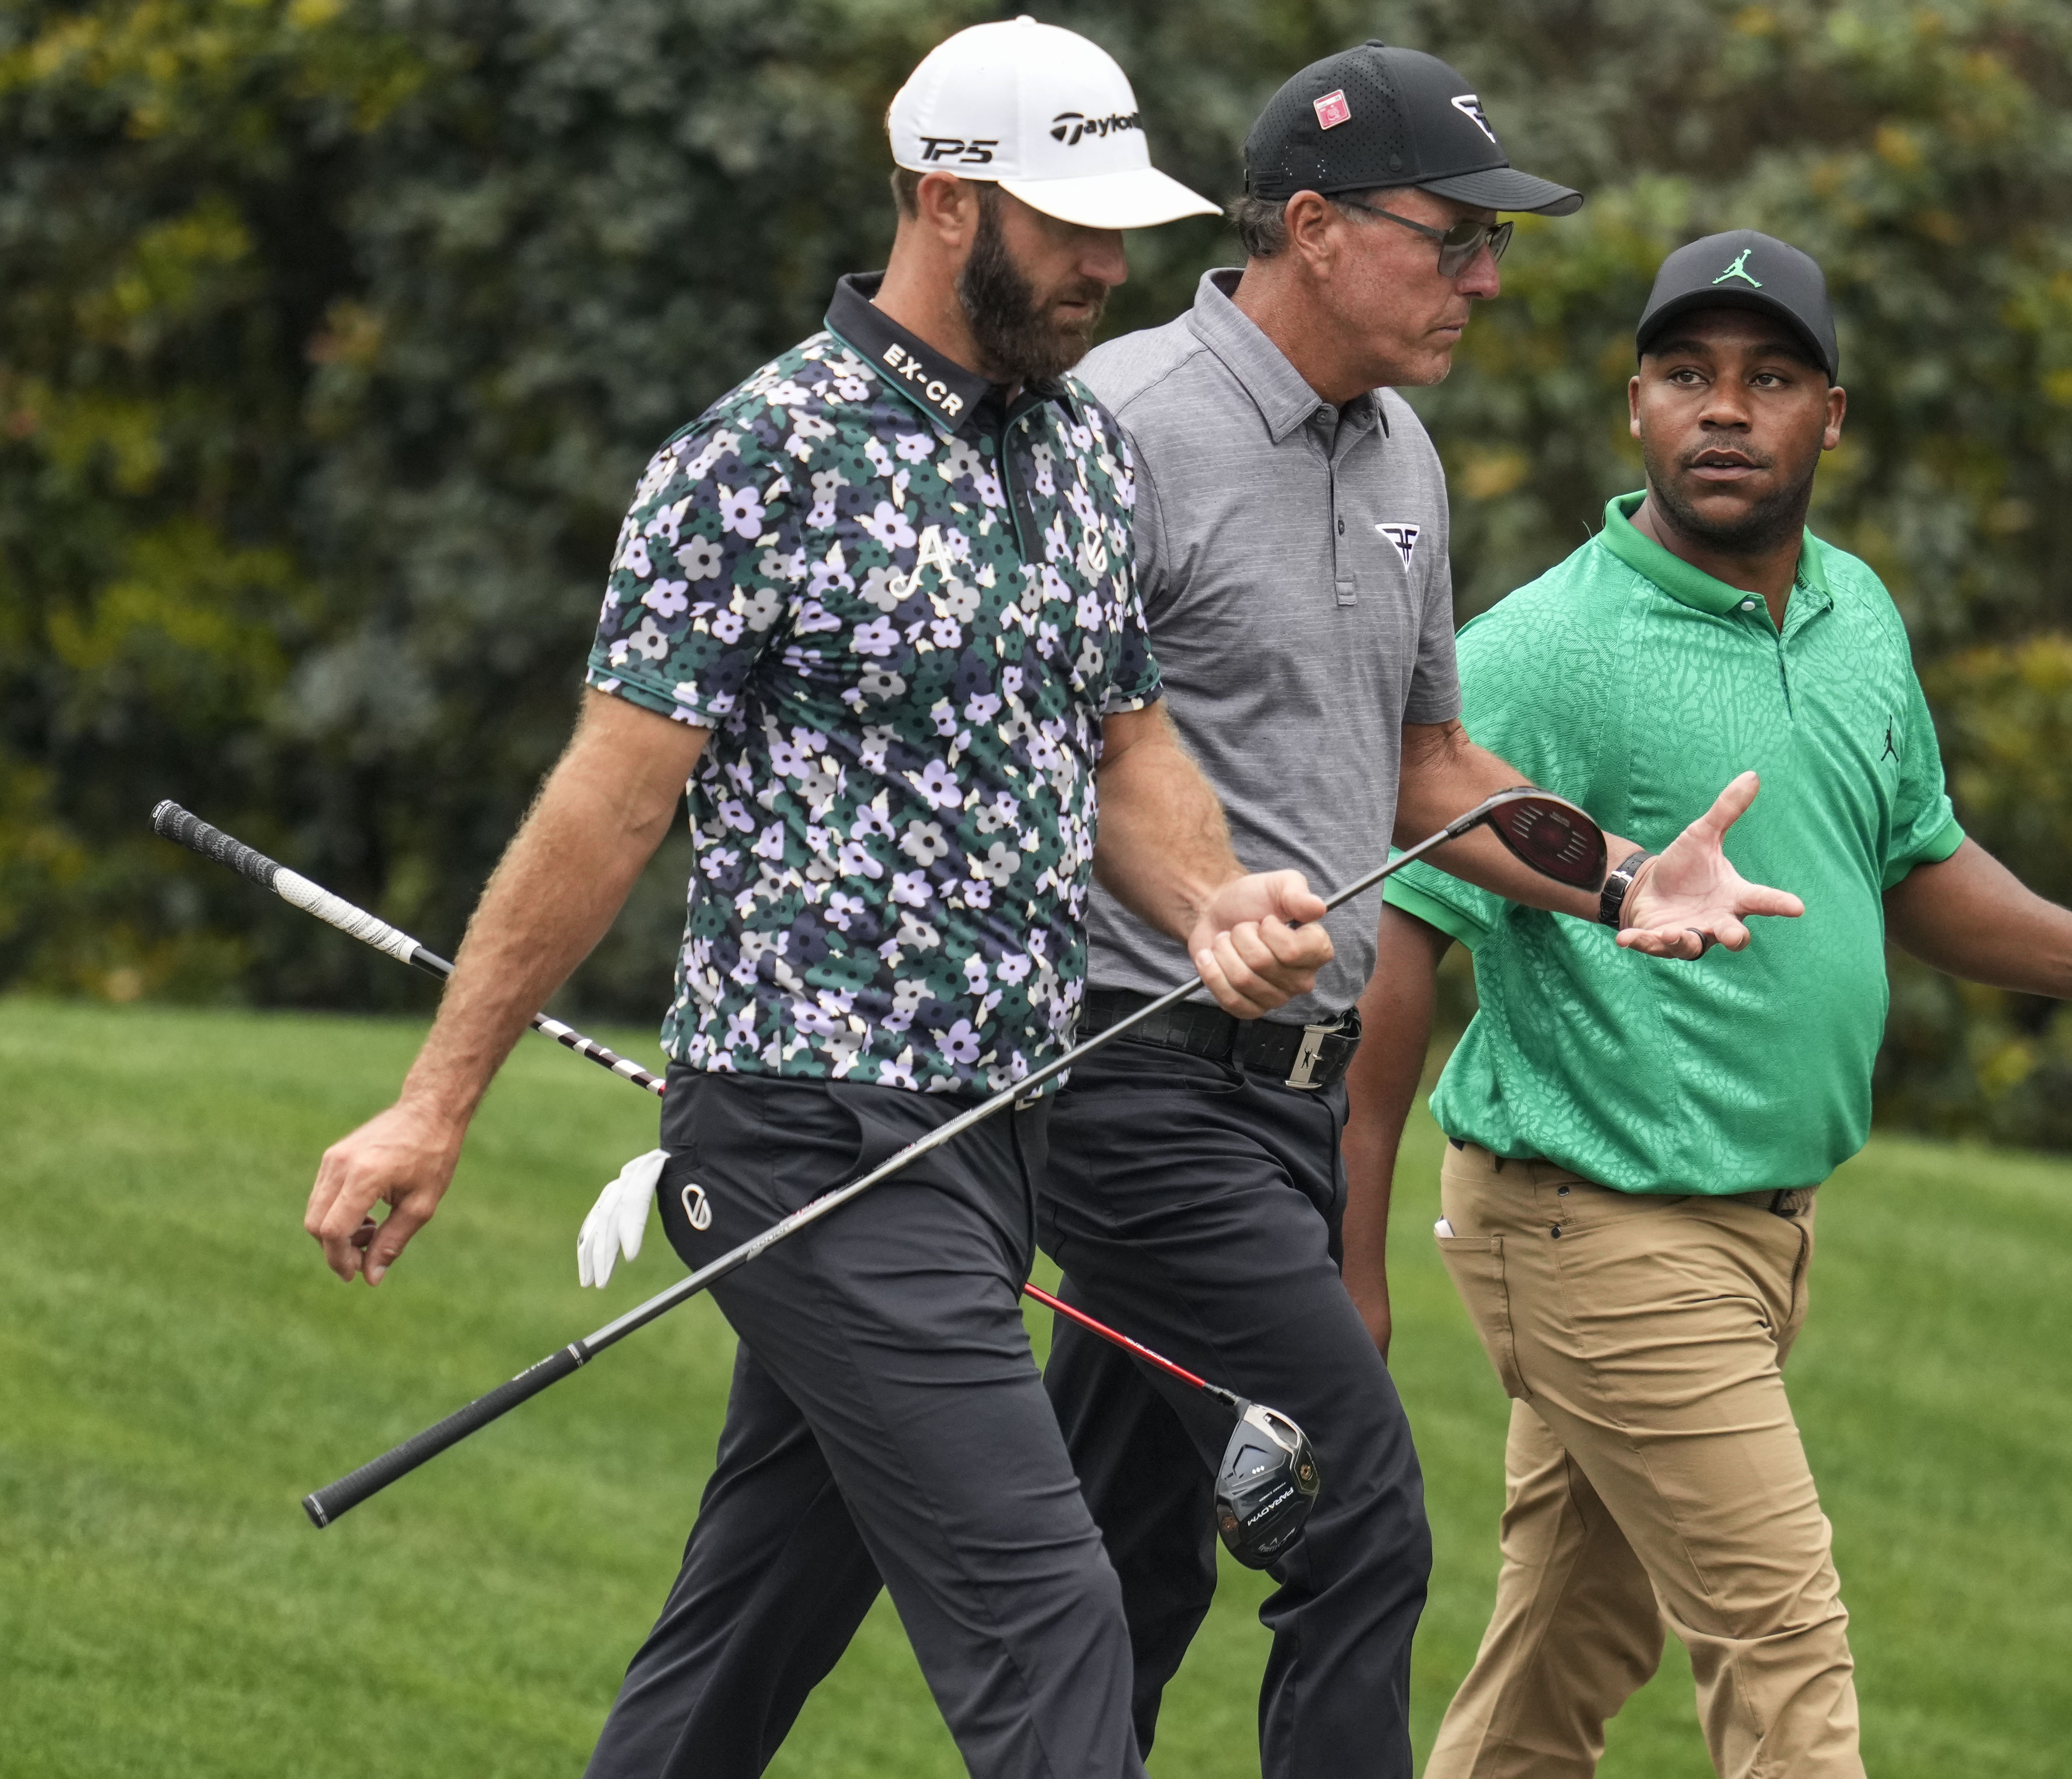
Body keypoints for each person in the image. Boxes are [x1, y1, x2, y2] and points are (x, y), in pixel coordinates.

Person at [303, 21, 1334, 1779]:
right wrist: (433, 1098)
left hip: (995, 1132)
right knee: (1050, 1607)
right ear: (944, 199)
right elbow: (606, 804)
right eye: (1068, 224)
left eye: (1117, 227)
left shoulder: (1077, 455)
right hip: (809, 1139)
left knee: (753, 1624)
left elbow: (1125, 749)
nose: (1108, 266)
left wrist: (1214, 899)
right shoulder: (755, 456)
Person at [1340, 230, 2072, 1779]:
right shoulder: (1541, 651)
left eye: (1769, 380)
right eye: (1690, 378)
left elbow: (1907, 859)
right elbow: (1400, 937)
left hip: (1765, 1225)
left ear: (1829, 416)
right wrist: (1348, 1270)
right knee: (1784, 1644)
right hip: (1597, 1222)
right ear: (1634, 405)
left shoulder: (1855, 614)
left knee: (1563, 1654)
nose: (1726, 411)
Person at [1034, 51, 1811, 1779]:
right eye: (1448, 238)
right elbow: (1054, 748)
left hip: (1285, 1101)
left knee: (1120, 1571)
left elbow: (1425, 762)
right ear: (1311, 228)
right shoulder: (1117, 428)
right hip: (1134, 1072)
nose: (1485, 279)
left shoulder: (1399, 456)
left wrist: (1614, 878)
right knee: (1355, 1511)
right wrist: (1191, 897)